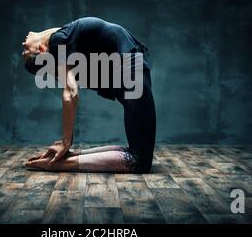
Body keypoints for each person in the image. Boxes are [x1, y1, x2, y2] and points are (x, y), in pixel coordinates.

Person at [22, 17, 156, 173]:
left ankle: (64, 158)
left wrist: (67, 144)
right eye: (24, 52)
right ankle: (56, 164)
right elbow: (71, 92)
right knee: (139, 161)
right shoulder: (58, 41)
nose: (22, 46)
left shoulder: (60, 36)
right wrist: (66, 142)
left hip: (129, 72)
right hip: (131, 73)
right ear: (41, 50)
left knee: (137, 154)